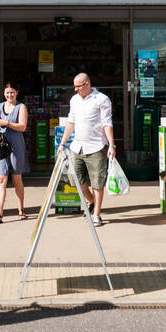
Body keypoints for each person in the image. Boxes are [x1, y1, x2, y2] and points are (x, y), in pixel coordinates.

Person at [57, 72, 115, 227]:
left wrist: (111, 145)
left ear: (87, 84)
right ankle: (91, 201)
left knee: (97, 182)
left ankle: (96, 214)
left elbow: (107, 123)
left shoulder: (101, 99)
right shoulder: (74, 100)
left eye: (78, 86)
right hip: (77, 146)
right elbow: (70, 122)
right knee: (74, 179)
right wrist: (62, 144)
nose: (75, 90)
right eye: (74, 86)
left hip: (96, 146)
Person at [0, 82, 28, 223]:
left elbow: (23, 127)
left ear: (16, 92)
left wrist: (7, 123)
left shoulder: (21, 107)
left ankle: (21, 209)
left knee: (17, 178)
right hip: (1, 145)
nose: (9, 95)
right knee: (1, 179)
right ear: (4, 93)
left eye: (12, 92)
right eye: (7, 92)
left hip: (16, 144)